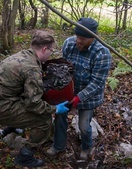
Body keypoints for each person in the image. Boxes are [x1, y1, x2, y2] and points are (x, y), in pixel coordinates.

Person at [0, 30, 69, 167]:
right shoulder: (32, 68)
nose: (51, 54)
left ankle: (10, 128)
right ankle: (25, 156)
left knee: (20, 98)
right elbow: (33, 104)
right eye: (51, 51)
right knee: (44, 120)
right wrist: (55, 108)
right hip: (3, 107)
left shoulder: (20, 55)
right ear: (44, 49)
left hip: (5, 99)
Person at [46, 17, 112, 160]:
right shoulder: (69, 43)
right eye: (77, 36)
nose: (78, 41)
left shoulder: (102, 53)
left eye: (83, 38)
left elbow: (97, 83)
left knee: (84, 126)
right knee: (59, 116)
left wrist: (78, 98)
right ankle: (58, 146)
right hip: (68, 90)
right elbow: (63, 69)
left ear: (93, 37)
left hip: (89, 95)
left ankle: (86, 147)